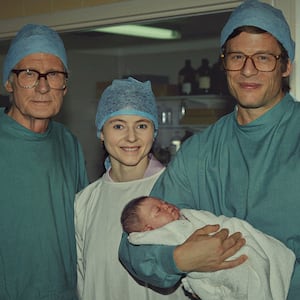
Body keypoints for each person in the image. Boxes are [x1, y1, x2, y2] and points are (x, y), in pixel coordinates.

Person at [119, 1, 300, 299]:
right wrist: (178, 259)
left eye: (264, 57)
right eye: (237, 56)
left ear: (286, 66)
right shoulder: (200, 153)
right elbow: (133, 241)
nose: (248, 69)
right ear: (223, 63)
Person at [75, 77, 186, 300]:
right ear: (101, 132)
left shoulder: (176, 191)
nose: (132, 137)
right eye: (118, 126)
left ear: (154, 132)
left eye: (142, 125)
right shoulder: (85, 202)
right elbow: (83, 280)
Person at [0, 24, 89, 300]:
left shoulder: (68, 143)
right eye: (28, 74)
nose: (42, 86)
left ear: (64, 85)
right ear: (8, 82)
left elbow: (84, 225)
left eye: (53, 74)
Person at [121, 195, 295, 300]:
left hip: (234, 246)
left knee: (256, 262)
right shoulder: (162, 236)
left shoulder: (189, 216)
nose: (166, 206)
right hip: (212, 273)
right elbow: (136, 245)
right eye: (158, 210)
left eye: (164, 202)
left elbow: (220, 223)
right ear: (148, 230)